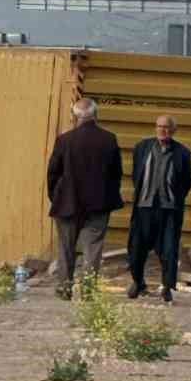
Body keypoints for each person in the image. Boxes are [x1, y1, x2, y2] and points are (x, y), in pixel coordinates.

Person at [46, 98, 125, 297]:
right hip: (98, 205)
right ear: (95, 116)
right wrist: (108, 197)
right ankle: (88, 291)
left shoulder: (64, 140)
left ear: (75, 117)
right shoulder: (109, 139)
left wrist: (55, 196)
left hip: (67, 203)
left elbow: (53, 172)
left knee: (66, 249)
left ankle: (64, 289)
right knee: (93, 249)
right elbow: (116, 173)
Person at [127, 114, 191, 304]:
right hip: (144, 207)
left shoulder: (182, 153)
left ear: (173, 130)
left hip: (169, 209)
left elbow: (186, 183)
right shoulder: (142, 148)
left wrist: (173, 199)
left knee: (168, 249)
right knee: (137, 247)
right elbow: (136, 176)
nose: (162, 130)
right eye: (159, 126)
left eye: (166, 127)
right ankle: (137, 282)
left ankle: (166, 287)